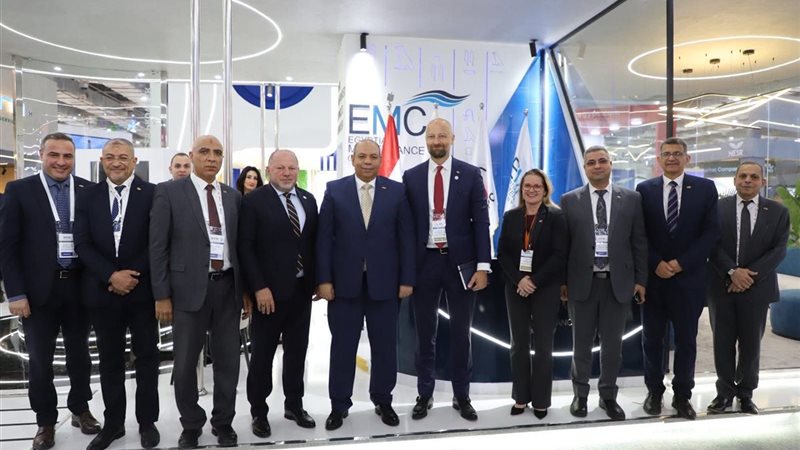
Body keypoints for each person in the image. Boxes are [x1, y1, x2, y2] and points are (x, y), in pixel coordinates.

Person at [0, 132, 101, 450]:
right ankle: (45, 420)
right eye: (54, 155)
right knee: (40, 360)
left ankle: (80, 409)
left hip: (79, 288)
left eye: (67, 156)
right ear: (41, 156)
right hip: (37, 291)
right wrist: (15, 293)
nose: (61, 162)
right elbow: (7, 246)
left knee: (80, 355)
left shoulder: (88, 190)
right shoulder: (19, 190)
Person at [149, 135, 248, 448]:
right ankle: (191, 424)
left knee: (228, 362)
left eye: (217, 153)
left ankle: (223, 422)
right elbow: (158, 247)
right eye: (204, 152)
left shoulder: (233, 196)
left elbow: (240, 247)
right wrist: (161, 294)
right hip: (187, 290)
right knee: (185, 363)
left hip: (228, 288)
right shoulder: (169, 192)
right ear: (192, 156)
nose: (211, 158)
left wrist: (245, 290)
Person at [317, 139, 415, 430]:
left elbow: (406, 239)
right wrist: (324, 280)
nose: (368, 161)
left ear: (380, 159)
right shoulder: (335, 190)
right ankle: (339, 405)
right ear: (353, 159)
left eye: (373, 156)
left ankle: (383, 400)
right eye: (362, 156)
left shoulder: (396, 191)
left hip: (385, 285)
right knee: (343, 347)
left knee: (385, 347)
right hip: (343, 286)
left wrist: (407, 279)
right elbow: (324, 240)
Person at [73, 139, 160, 449]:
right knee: (110, 362)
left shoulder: (152, 194)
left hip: (141, 291)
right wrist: (111, 275)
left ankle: (147, 422)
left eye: (123, 157)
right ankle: (113, 425)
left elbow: (157, 242)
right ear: (102, 161)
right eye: (110, 157)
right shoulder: (88, 196)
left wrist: (130, 276)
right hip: (102, 292)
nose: (117, 162)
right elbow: (82, 244)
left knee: (147, 358)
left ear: (134, 161)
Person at [402, 118, 491, 421]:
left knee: (461, 334)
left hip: (461, 266)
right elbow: (406, 228)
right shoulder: (411, 176)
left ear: (452, 138)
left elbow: (481, 222)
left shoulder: (471, 174)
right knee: (425, 335)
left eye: (442, 136)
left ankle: (461, 396)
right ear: (425, 140)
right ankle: (424, 394)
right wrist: (406, 270)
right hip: (424, 264)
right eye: (431, 136)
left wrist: (483, 266)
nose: (437, 141)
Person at [561, 146, 648, 421]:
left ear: (610, 164)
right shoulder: (569, 200)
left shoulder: (631, 199)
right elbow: (564, 247)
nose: (597, 166)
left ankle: (608, 396)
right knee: (581, 346)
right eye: (591, 162)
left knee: (613, 348)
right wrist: (563, 282)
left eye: (602, 161)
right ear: (585, 168)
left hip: (617, 284)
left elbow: (639, 242)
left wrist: (641, 280)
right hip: (582, 284)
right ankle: (580, 395)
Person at [636, 137, 719, 420]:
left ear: (687, 158)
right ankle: (654, 391)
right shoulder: (644, 189)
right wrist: (656, 263)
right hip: (655, 279)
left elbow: (711, 233)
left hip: (689, 279)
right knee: (652, 340)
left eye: (677, 153)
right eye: (666, 154)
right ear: (659, 159)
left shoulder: (705, 188)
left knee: (686, 341)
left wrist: (681, 263)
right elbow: (639, 234)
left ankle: (683, 396)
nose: (671, 158)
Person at [239, 150, 318, 437]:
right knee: (263, 356)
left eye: (292, 168)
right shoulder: (254, 201)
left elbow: (312, 244)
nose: (287, 173)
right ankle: (259, 412)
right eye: (281, 168)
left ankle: (294, 405)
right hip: (268, 295)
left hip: (301, 292)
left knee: (297, 353)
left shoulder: (308, 200)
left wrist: (318, 280)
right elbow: (245, 247)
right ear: (269, 170)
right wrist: (258, 288)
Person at [706, 161, 789, 415]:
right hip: (722, 286)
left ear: (762, 182)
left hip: (757, 288)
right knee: (722, 342)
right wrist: (732, 272)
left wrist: (747, 277)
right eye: (743, 176)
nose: (747, 180)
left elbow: (778, 250)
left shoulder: (777, 212)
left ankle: (746, 394)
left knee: (751, 344)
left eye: (754, 176)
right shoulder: (716, 208)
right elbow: (710, 244)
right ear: (734, 180)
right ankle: (723, 393)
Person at [496, 169, 566, 419]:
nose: (532, 190)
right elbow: (502, 254)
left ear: (545, 190)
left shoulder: (556, 216)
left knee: (544, 346)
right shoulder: (511, 216)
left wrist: (534, 281)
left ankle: (541, 401)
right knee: (518, 345)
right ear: (522, 189)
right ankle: (521, 397)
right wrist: (520, 280)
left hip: (545, 288)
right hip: (516, 287)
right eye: (527, 185)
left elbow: (559, 256)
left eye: (537, 186)